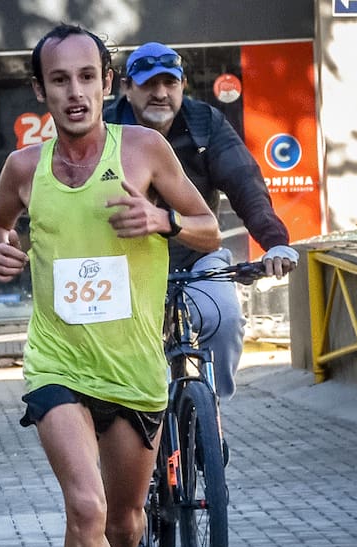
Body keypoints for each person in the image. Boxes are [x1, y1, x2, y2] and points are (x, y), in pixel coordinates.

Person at [0, 24, 219, 547]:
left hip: (134, 371)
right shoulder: (25, 167)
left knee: (122, 523)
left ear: (107, 84)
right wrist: (0, 251)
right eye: (60, 80)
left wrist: (161, 218)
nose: (75, 92)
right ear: (41, 91)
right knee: (83, 511)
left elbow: (211, 228)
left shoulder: (143, 150)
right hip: (57, 365)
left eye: (87, 77)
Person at [103, 41, 297, 404]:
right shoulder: (105, 128)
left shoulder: (205, 123)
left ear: (182, 85)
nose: (161, 93)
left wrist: (275, 242)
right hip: (123, 266)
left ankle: (212, 411)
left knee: (223, 319)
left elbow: (245, 184)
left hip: (196, 257)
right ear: (126, 87)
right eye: (148, 84)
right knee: (127, 368)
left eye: (170, 83)